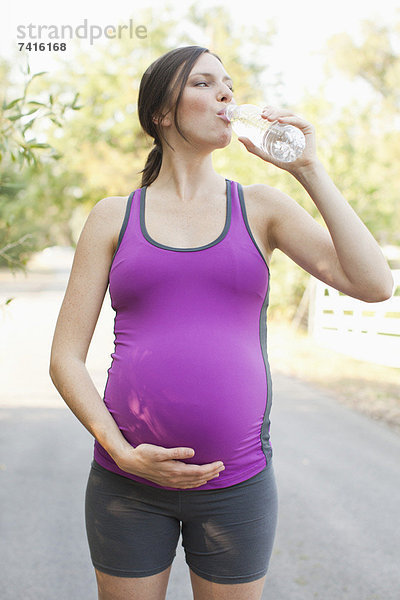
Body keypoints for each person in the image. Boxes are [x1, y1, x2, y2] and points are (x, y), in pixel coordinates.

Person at [49, 45, 393, 600]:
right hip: (127, 483)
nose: (227, 94)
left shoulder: (261, 207)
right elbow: (64, 357)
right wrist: (120, 451)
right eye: (205, 83)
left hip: (237, 484)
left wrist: (309, 169)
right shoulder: (113, 216)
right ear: (162, 111)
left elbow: (375, 284)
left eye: (229, 83)